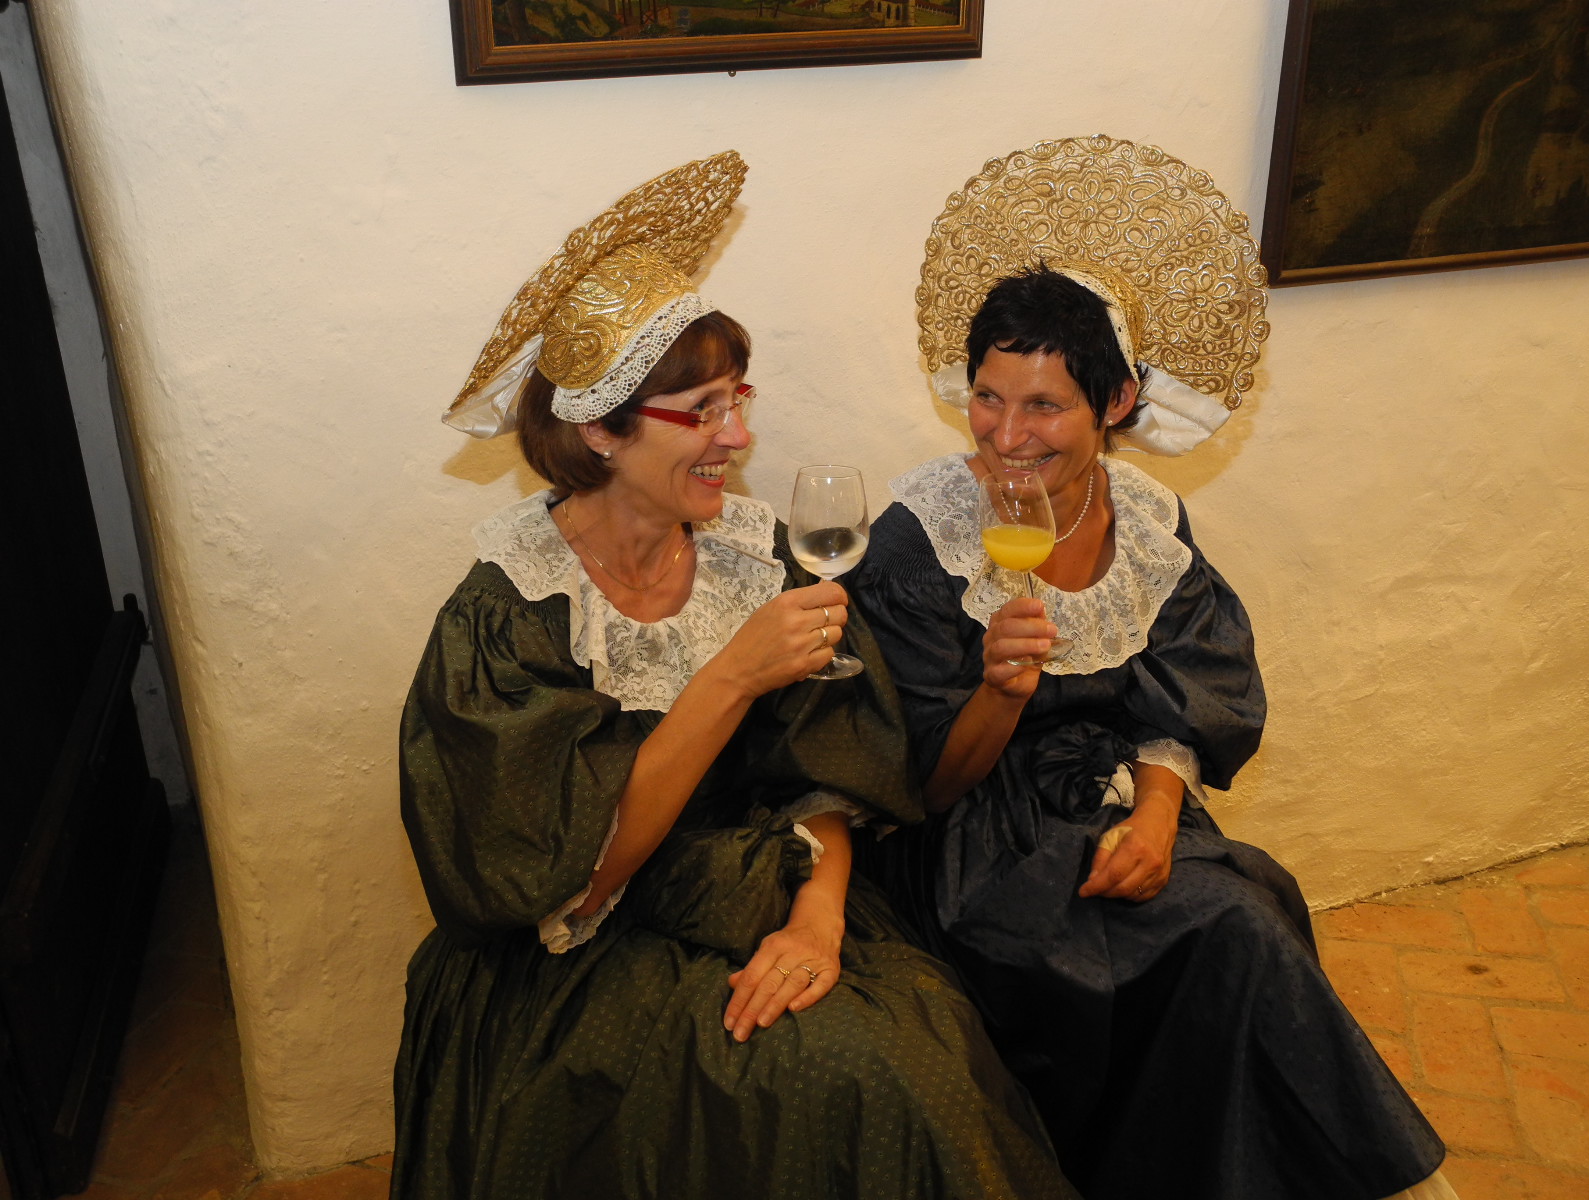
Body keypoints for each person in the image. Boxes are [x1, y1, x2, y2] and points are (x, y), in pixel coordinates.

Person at [391, 152, 1073, 1200]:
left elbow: (828, 775)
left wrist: (820, 920)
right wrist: (728, 679)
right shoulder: (508, 617)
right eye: (702, 411)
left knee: (914, 1058)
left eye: (737, 401)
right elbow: (570, 882)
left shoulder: (755, 561)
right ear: (598, 430)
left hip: (767, 890)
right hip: (582, 954)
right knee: (808, 1075)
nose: (739, 437)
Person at [851, 137, 1457, 1200]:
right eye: (988, 397)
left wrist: (1159, 817)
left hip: (1118, 795)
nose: (1005, 436)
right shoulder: (923, 535)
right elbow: (918, 788)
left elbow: (1190, 691)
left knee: (1249, 913)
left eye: (1044, 406)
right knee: (1219, 933)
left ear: (1117, 401)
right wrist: (1000, 690)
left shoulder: (1143, 518)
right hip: (974, 847)